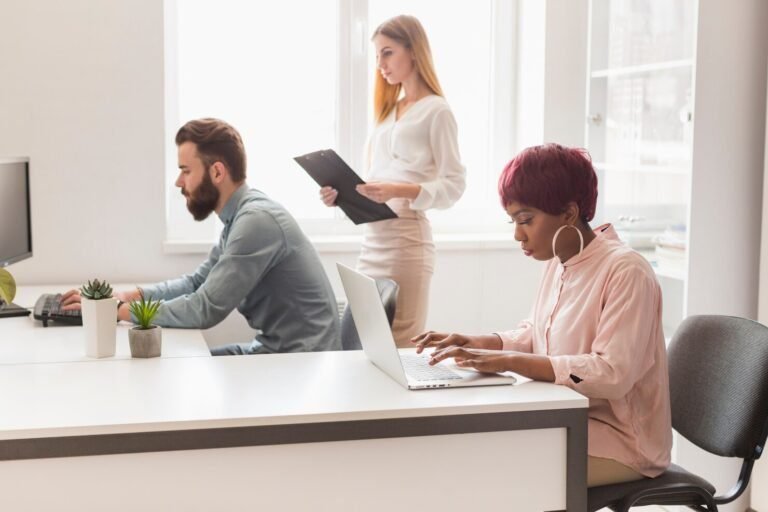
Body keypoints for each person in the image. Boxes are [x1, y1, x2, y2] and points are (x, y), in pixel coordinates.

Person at [413, 143, 672, 487]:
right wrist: (479, 344)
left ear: (568, 213)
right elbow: (536, 334)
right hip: (569, 419)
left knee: (490, 474)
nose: (517, 234)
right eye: (513, 221)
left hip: (623, 443)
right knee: (472, 450)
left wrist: (507, 361)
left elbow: (612, 374)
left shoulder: (626, 271)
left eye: (526, 220)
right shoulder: (560, 259)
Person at [63, 118, 340, 355]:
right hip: (275, 352)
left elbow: (204, 308)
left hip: (300, 365)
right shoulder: (240, 218)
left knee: (181, 373)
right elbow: (198, 283)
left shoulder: (256, 222)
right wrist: (124, 296)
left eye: (185, 171)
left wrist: (116, 310)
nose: (178, 182)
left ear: (217, 171)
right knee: (181, 366)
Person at [320, 15, 465, 347]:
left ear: (412, 51)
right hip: (373, 240)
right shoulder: (386, 114)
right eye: (376, 56)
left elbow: (454, 184)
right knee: (358, 343)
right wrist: (341, 196)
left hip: (406, 242)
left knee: (399, 345)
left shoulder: (437, 111)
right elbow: (377, 182)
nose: (380, 64)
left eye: (387, 53)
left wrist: (400, 190)